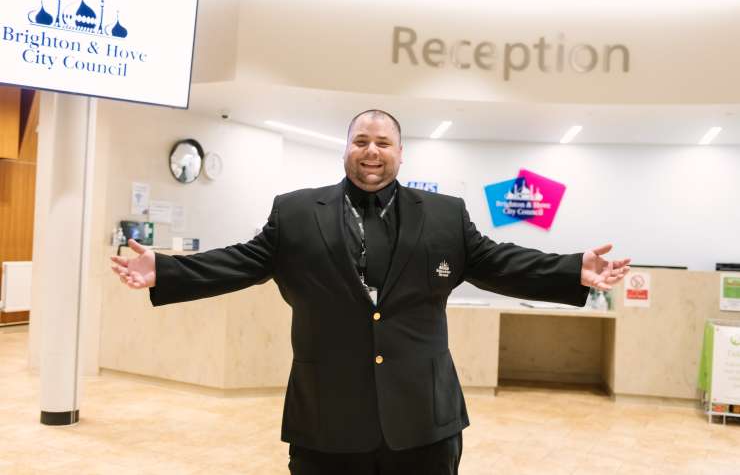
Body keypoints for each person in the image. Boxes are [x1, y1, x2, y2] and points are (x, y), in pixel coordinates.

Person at [111, 109, 630, 475]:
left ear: (401, 153)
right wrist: (169, 270)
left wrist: (571, 270)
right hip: (327, 421)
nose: (372, 151)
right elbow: (244, 261)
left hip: (424, 421)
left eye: (383, 142)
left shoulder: (445, 215)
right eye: (361, 141)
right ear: (346, 149)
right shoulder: (295, 212)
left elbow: (497, 262)